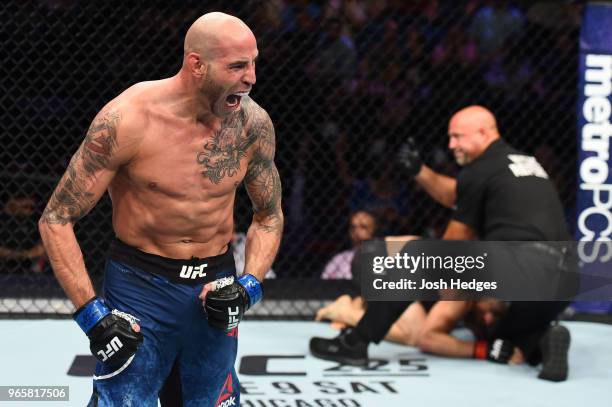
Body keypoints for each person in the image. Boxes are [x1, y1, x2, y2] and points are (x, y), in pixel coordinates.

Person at [38, 12, 283, 406]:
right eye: (237, 65)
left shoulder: (252, 125)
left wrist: (249, 286)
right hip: (140, 290)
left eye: (253, 63)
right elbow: (56, 219)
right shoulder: (128, 119)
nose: (251, 77)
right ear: (197, 65)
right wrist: (92, 315)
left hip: (215, 288)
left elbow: (268, 217)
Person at [310, 105, 572, 381]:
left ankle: (355, 343)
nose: (451, 145)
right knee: (505, 338)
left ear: (483, 133)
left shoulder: (479, 170)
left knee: (416, 257)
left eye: (458, 137)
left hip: (519, 264)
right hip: (565, 277)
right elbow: (458, 194)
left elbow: (454, 242)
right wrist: (420, 172)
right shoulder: (523, 163)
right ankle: (543, 341)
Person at [321, 210, 376, 280]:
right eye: (353, 227)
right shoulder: (339, 259)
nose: (357, 231)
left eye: (363, 227)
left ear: (373, 230)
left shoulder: (382, 259)